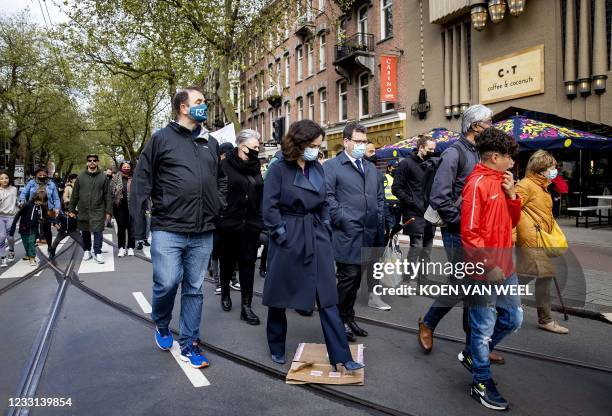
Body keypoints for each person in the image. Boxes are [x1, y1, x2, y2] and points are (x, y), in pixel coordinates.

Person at [130, 86, 226, 368]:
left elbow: (220, 179)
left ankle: (190, 344)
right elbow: (141, 181)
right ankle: (161, 323)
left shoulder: (210, 143)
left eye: (205, 102)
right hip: (168, 228)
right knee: (167, 283)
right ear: (183, 108)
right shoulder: (160, 139)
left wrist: (218, 203)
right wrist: (139, 228)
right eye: (199, 102)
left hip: (203, 230)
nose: (204, 106)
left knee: (194, 289)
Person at [263, 119, 364, 372]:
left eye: (319, 146)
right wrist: (279, 232)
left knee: (328, 297)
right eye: (313, 145)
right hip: (288, 234)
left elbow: (322, 200)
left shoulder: (316, 167)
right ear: (298, 143)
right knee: (280, 295)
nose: (317, 150)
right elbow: (269, 206)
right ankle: (276, 345)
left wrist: (327, 222)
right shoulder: (278, 169)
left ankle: (341, 354)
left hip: (316, 234)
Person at [417, 104, 500, 363]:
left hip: (479, 233)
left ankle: (475, 346)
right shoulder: (455, 153)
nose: (492, 126)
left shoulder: (482, 153)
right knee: (463, 286)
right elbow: (439, 197)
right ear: (476, 126)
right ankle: (429, 323)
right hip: (458, 232)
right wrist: (462, 222)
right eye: (489, 122)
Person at [460, 127, 522, 411]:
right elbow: (470, 233)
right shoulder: (476, 184)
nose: (512, 162)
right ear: (495, 156)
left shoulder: (502, 181)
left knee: (513, 318)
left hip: (505, 266)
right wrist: (489, 265)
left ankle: (474, 354)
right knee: (483, 329)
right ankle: (481, 381)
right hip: (484, 271)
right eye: (509, 157)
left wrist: (512, 196)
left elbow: (512, 222)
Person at [324, 122, 383, 342]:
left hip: (368, 233)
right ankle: (338, 321)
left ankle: (348, 317)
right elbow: (328, 197)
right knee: (347, 278)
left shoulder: (370, 168)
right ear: (346, 141)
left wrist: (379, 222)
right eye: (357, 141)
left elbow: (378, 198)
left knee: (357, 279)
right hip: (346, 234)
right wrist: (343, 218)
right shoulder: (332, 166)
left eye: (364, 141)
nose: (361, 145)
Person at [515, 150, 569, 334]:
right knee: (543, 275)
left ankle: (497, 299)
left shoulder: (543, 186)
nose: (555, 170)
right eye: (552, 167)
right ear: (541, 169)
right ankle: (545, 320)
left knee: (526, 276)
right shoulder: (526, 185)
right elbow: (512, 213)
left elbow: (561, 191)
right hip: (530, 239)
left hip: (540, 238)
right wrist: (512, 239)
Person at [217, 129, 263, 325]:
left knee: (248, 264)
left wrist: (260, 220)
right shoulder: (224, 165)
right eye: (254, 147)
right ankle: (225, 291)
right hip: (229, 224)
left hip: (250, 226)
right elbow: (217, 191)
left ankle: (246, 306)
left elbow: (261, 193)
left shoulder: (256, 166)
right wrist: (222, 214)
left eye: (258, 147)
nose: (257, 150)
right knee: (227, 263)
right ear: (242, 147)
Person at [392, 135, 437, 284]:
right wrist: (412, 202)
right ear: (421, 148)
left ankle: (422, 282)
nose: (433, 152)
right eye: (430, 149)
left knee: (427, 251)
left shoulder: (432, 164)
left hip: (430, 213)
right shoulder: (406, 164)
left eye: (434, 149)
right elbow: (396, 188)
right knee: (416, 248)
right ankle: (406, 280)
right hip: (414, 213)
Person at [364, 142, 393, 311]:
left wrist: (389, 224)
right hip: (360, 227)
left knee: (374, 263)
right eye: (371, 151)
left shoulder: (378, 175)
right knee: (355, 267)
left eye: (374, 151)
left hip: (377, 227)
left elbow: (383, 202)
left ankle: (373, 296)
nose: (374, 154)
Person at [69, 154, 112, 264]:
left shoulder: (103, 177)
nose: (92, 162)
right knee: (85, 231)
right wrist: (71, 210)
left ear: (97, 162)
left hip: (98, 209)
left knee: (98, 231)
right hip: (83, 209)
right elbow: (75, 195)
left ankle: (98, 252)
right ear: (87, 162)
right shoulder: (80, 177)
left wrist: (108, 211)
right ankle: (87, 250)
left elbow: (107, 195)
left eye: (94, 160)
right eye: (89, 160)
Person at [209, 142, 239, 294]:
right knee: (216, 251)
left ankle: (232, 279)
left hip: (230, 215)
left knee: (231, 249)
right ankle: (218, 282)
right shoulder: (216, 169)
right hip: (218, 215)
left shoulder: (234, 168)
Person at [18, 167, 61, 248]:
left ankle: (50, 247)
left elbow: (56, 198)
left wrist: (57, 208)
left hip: (48, 209)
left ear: (47, 175)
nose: (42, 176)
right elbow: (24, 192)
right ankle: (30, 251)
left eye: (44, 175)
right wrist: (22, 201)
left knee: (47, 230)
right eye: (39, 175)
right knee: (32, 230)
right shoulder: (31, 183)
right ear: (36, 175)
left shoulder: (51, 184)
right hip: (33, 209)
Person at [10, 190, 47, 266]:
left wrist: (54, 222)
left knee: (31, 243)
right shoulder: (27, 205)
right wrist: (13, 225)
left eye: (41, 201)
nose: (39, 202)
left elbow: (45, 216)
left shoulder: (42, 207)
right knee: (25, 242)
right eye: (38, 200)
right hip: (24, 227)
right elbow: (18, 214)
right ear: (35, 198)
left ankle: (32, 258)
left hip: (33, 228)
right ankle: (28, 254)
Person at [111, 161, 135, 257]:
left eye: (128, 167)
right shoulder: (115, 178)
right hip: (119, 207)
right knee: (121, 228)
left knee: (131, 228)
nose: (126, 168)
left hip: (132, 207)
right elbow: (111, 192)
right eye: (124, 167)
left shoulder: (135, 177)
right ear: (121, 167)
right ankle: (121, 248)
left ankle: (130, 247)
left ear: (131, 168)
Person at [0, 171, 18, 266]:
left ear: (9, 179)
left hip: (11, 216)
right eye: (2, 178)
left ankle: (11, 250)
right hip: (0, 217)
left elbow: (16, 201)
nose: (4, 180)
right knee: (1, 237)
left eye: (6, 178)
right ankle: (2, 257)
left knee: (10, 237)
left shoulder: (14, 189)